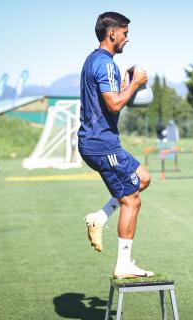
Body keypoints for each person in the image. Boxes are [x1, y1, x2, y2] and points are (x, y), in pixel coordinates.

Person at [78, 12, 154, 279]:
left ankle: (99, 217)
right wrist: (135, 84)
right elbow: (113, 104)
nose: (127, 38)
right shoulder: (106, 63)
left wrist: (125, 86)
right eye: (124, 33)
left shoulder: (93, 60)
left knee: (142, 178)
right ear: (112, 34)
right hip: (102, 144)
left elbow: (109, 99)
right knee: (132, 201)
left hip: (100, 141)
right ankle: (123, 265)